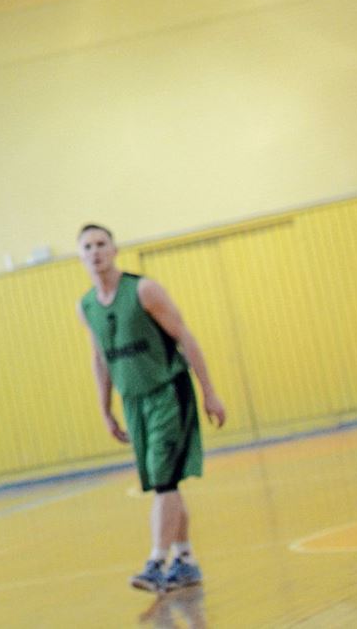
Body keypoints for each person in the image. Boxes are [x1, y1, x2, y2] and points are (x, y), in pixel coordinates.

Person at [76, 224, 228, 596]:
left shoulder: (143, 290)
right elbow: (100, 358)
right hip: (134, 401)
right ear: (80, 256)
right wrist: (105, 409)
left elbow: (184, 336)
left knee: (164, 480)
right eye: (87, 247)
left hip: (167, 392)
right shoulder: (87, 306)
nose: (95, 252)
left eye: (101, 244)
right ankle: (185, 560)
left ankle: (156, 562)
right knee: (165, 481)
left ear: (114, 250)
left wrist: (209, 392)